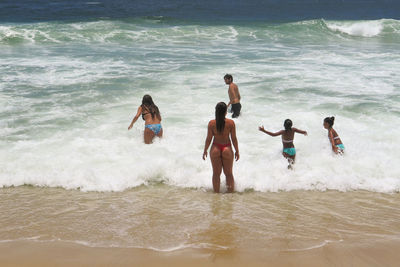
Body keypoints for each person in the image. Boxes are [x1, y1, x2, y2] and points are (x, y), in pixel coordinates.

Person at [203, 102, 239, 193]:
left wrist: (205, 150)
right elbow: (234, 139)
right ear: (226, 111)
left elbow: (208, 139)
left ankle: (216, 196)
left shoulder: (211, 123)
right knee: (229, 174)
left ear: (216, 111)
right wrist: (237, 151)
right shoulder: (231, 123)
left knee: (216, 174)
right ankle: (230, 195)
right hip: (227, 148)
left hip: (215, 148)